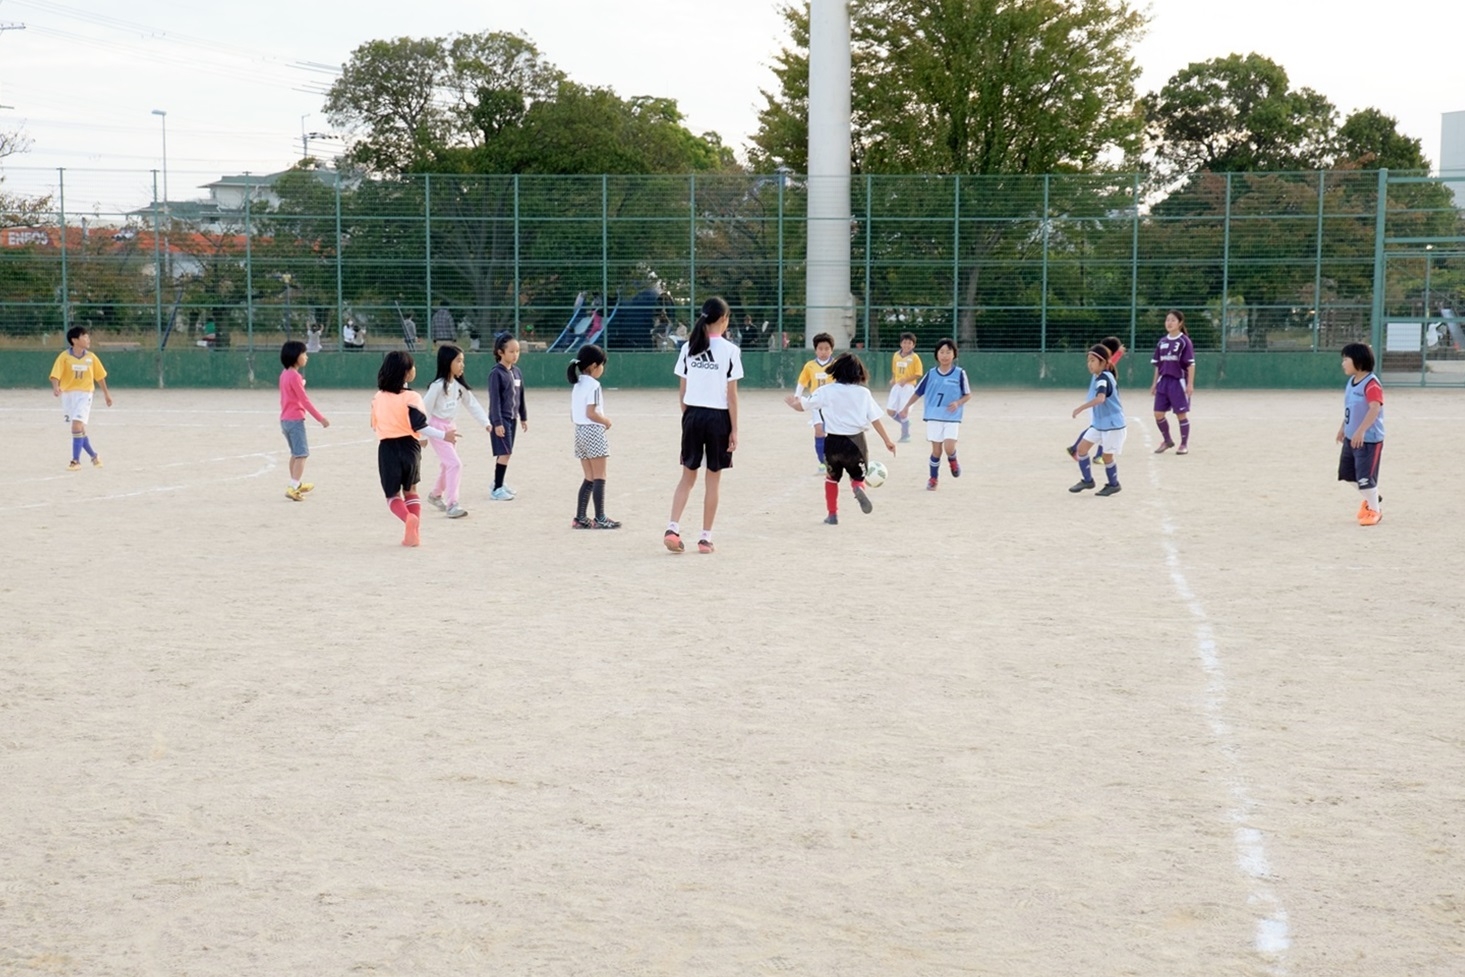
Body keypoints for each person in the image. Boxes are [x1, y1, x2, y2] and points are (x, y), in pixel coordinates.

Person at [665, 296, 743, 554]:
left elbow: (682, 389)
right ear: (723, 319)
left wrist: (688, 417)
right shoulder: (731, 351)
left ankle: (673, 528)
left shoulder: (688, 347)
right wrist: (734, 428)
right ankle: (705, 538)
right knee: (713, 480)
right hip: (718, 418)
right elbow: (731, 395)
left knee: (687, 477)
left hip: (693, 416)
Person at [786, 353, 896, 524]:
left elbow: (804, 405)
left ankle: (832, 515)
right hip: (856, 442)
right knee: (858, 477)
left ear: (835, 371)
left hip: (832, 442)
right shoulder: (863, 393)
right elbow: (875, 419)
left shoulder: (825, 391)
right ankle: (858, 489)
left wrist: (793, 404)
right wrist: (887, 441)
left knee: (831, 478)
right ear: (859, 372)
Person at [370, 350, 457, 547]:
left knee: (392, 495)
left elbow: (374, 425)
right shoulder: (413, 397)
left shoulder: (378, 397)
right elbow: (420, 426)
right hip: (410, 447)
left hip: (387, 448)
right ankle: (414, 533)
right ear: (407, 373)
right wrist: (444, 435)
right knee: (411, 491)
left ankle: (407, 519)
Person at [422, 343, 490, 519]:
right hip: (437, 429)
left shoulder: (459, 386)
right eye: (458, 361)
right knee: (455, 464)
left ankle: (435, 495)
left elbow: (472, 404)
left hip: (451, 429)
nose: (462, 365)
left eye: (463, 361)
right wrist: (421, 435)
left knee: (447, 464)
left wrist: (486, 423)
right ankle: (452, 504)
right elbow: (422, 410)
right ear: (447, 362)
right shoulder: (437, 386)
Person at [897, 337, 971, 490]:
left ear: (954, 355)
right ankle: (933, 479)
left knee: (949, 448)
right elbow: (918, 392)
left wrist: (958, 403)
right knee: (936, 451)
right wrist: (906, 407)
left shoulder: (959, 373)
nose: (945, 355)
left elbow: (968, 395)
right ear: (936, 355)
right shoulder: (931, 374)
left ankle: (953, 460)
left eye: (948, 352)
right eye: (941, 352)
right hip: (933, 416)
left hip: (952, 417)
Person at [567, 344, 619, 529]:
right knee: (600, 476)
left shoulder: (577, 384)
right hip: (593, 431)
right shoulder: (594, 385)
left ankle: (580, 517)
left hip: (579, 432)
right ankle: (600, 518)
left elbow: (576, 413)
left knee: (588, 476)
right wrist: (606, 421)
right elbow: (591, 412)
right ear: (595, 365)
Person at [48, 325, 113, 470]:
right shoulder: (64, 357)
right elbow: (55, 374)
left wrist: (106, 394)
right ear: (74, 340)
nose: (88, 339)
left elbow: (100, 377)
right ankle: (94, 456)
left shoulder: (91, 357)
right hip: (68, 395)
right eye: (84, 336)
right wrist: (56, 387)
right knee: (79, 429)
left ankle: (75, 461)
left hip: (84, 394)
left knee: (76, 425)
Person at [1337, 342, 1385, 526]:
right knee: (1347, 474)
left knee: (1365, 478)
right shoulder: (1352, 381)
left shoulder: (1371, 384)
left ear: (1358, 360)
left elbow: (1374, 408)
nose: (1343, 363)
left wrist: (1361, 431)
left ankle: (1374, 511)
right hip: (1352, 438)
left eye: (1346, 359)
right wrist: (1343, 428)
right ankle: (1372, 496)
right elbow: (1351, 408)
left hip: (1368, 440)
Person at [1068, 343, 1126, 496]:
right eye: (1088, 360)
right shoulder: (1099, 377)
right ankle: (1087, 481)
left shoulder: (1103, 378)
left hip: (1113, 425)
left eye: (1093, 360)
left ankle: (1114, 484)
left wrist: (1081, 408)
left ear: (1104, 363)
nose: (1089, 364)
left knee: (1107, 457)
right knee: (1081, 449)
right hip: (1100, 424)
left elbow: (1100, 399)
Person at [278, 339, 330, 502]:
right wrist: (321, 418)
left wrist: (301, 383)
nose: (306, 357)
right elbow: (304, 401)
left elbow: (290, 394)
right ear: (295, 356)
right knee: (302, 454)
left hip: (285, 420)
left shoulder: (285, 374)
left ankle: (296, 482)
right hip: (295, 421)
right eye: (304, 354)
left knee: (295, 454)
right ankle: (293, 486)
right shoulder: (295, 376)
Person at [489, 332, 529, 501]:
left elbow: (521, 396)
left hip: (512, 419)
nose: (515, 355)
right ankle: (497, 489)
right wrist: (497, 423)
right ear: (500, 352)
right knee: (505, 452)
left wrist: (523, 417)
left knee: (505, 452)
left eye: (517, 351)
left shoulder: (517, 372)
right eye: (511, 351)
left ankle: (498, 482)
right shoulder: (496, 374)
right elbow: (495, 401)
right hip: (501, 419)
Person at [1150, 309, 1195, 454]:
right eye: (1167, 320)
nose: (1169, 323)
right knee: (1158, 413)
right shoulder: (1162, 342)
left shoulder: (1184, 341)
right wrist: (1154, 383)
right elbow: (1158, 364)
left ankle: (1183, 444)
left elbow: (1191, 364)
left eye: (1173, 320)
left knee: (1180, 414)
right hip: (1164, 382)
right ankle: (1167, 440)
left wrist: (1189, 384)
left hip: (1178, 381)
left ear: (1180, 323)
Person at [795, 332, 837, 470]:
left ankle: (835, 458)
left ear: (832, 349)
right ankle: (822, 462)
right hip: (816, 403)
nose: (823, 352)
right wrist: (797, 397)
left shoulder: (836, 364)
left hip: (833, 404)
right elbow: (802, 382)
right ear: (815, 350)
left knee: (834, 432)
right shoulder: (810, 366)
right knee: (819, 431)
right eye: (820, 349)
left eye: (827, 349)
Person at [886, 331, 924, 442]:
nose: (907, 345)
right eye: (905, 342)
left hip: (908, 387)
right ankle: (906, 422)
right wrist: (893, 379)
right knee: (890, 411)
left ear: (913, 345)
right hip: (897, 386)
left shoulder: (915, 357)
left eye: (909, 343)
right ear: (901, 344)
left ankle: (905, 435)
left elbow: (918, 373)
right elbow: (894, 370)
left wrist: (906, 380)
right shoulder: (896, 355)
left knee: (903, 412)